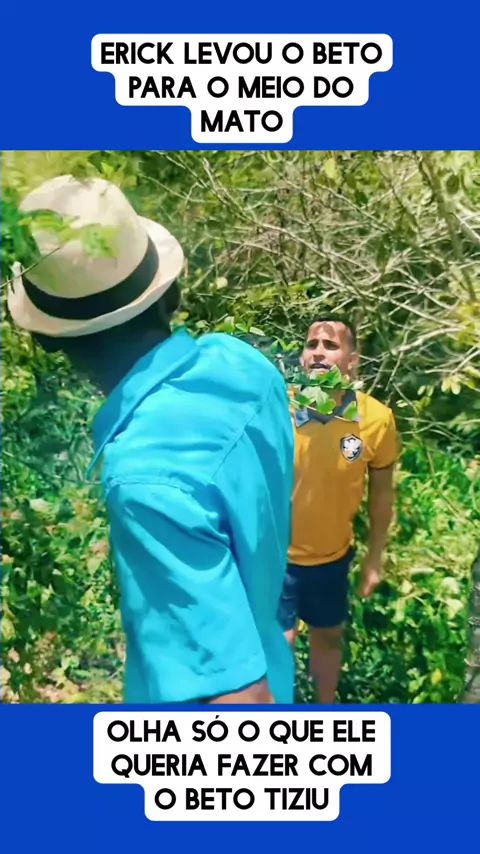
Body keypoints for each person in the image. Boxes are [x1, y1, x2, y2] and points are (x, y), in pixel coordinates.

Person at [7, 174, 295, 704]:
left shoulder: (142, 479)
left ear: (46, 339)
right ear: (172, 292)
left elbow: (241, 703)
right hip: (274, 662)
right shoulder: (245, 366)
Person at [278, 316, 399, 703]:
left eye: (330, 345)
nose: (318, 352)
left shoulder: (376, 419)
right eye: (312, 344)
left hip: (332, 558)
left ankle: (325, 715)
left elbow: (382, 495)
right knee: (279, 646)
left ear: (352, 360)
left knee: (328, 637)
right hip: (276, 558)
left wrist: (374, 558)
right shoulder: (277, 407)